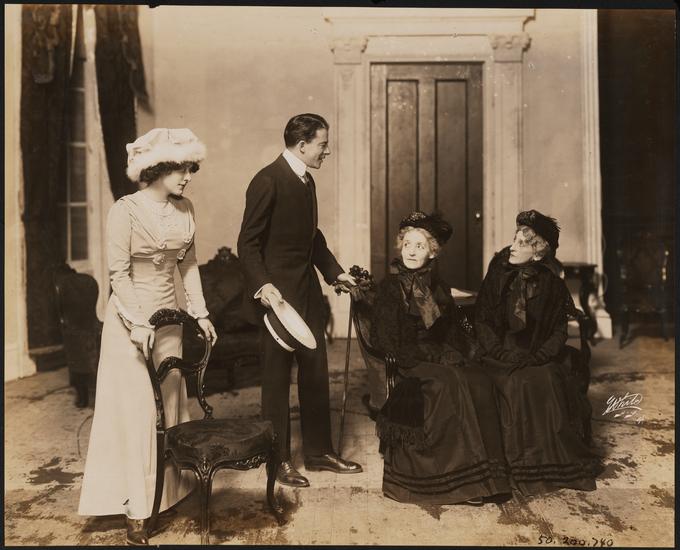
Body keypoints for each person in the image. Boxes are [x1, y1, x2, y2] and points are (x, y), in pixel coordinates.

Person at [78, 128, 218, 546]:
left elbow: (187, 265)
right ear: (156, 168)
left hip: (169, 321)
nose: (188, 177)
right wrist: (139, 323)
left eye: (191, 169)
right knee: (139, 414)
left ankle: (166, 494)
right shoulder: (124, 211)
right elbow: (118, 274)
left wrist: (200, 312)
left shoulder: (186, 209)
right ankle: (136, 507)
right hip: (130, 324)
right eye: (181, 169)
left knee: (168, 407)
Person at [237, 113, 362, 488]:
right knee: (276, 380)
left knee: (315, 372)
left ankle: (319, 452)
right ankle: (277, 461)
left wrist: (335, 273)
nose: (327, 151)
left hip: (307, 293)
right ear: (303, 145)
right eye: (323, 144)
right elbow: (247, 243)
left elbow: (312, 237)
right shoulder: (267, 180)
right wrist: (264, 286)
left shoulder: (306, 180)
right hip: (277, 299)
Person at [369, 211, 511, 505]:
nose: (411, 251)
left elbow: (452, 329)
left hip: (435, 355)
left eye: (419, 246)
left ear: (432, 252)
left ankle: (490, 476)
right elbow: (385, 339)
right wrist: (427, 354)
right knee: (450, 383)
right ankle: (460, 483)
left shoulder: (439, 286)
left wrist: (456, 351)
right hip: (409, 359)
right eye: (407, 244)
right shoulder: (390, 288)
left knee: (478, 379)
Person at [474, 209, 603, 495]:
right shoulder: (498, 275)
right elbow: (481, 320)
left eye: (521, 243)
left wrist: (539, 356)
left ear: (536, 253)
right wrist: (499, 351)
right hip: (498, 354)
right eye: (514, 239)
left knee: (543, 381)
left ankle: (540, 465)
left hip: (535, 355)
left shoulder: (551, 284)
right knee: (512, 383)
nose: (512, 246)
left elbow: (559, 330)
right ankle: (510, 464)